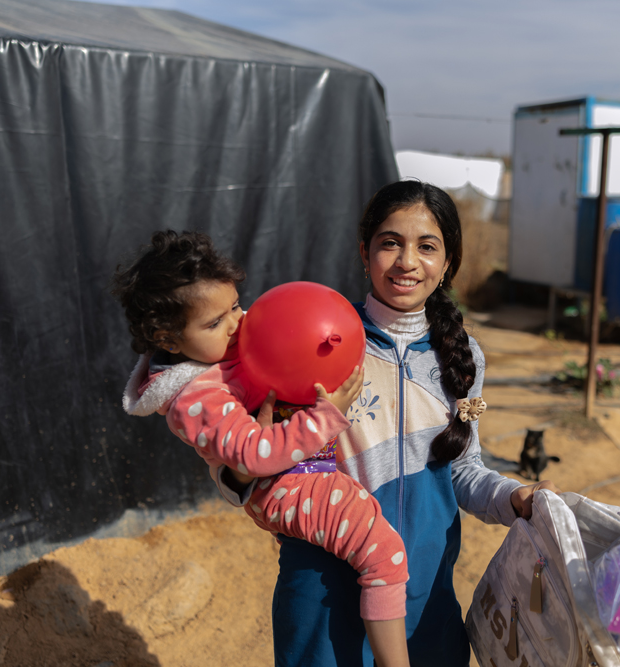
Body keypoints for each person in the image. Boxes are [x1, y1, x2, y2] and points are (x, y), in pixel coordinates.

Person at [213, 181, 558, 667]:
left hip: (425, 594)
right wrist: (242, 469)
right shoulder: (315, 340)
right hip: (322, 597)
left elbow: (462, 470)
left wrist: (512, 497)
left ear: (449, 262)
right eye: (390, 243)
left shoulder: (463, 357)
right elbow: (241, 461)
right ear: (364, 251)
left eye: (427, 247)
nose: (407, 262)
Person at [112, 230, 413, 667]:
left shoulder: (225, 346)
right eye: (214, 322)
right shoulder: (195, 398)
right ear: (169, 339)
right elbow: (253, 456)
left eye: (235, 306)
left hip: (305, 470)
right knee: (385, 555)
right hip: (287, 485)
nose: (237, 323)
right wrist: (327, 415)